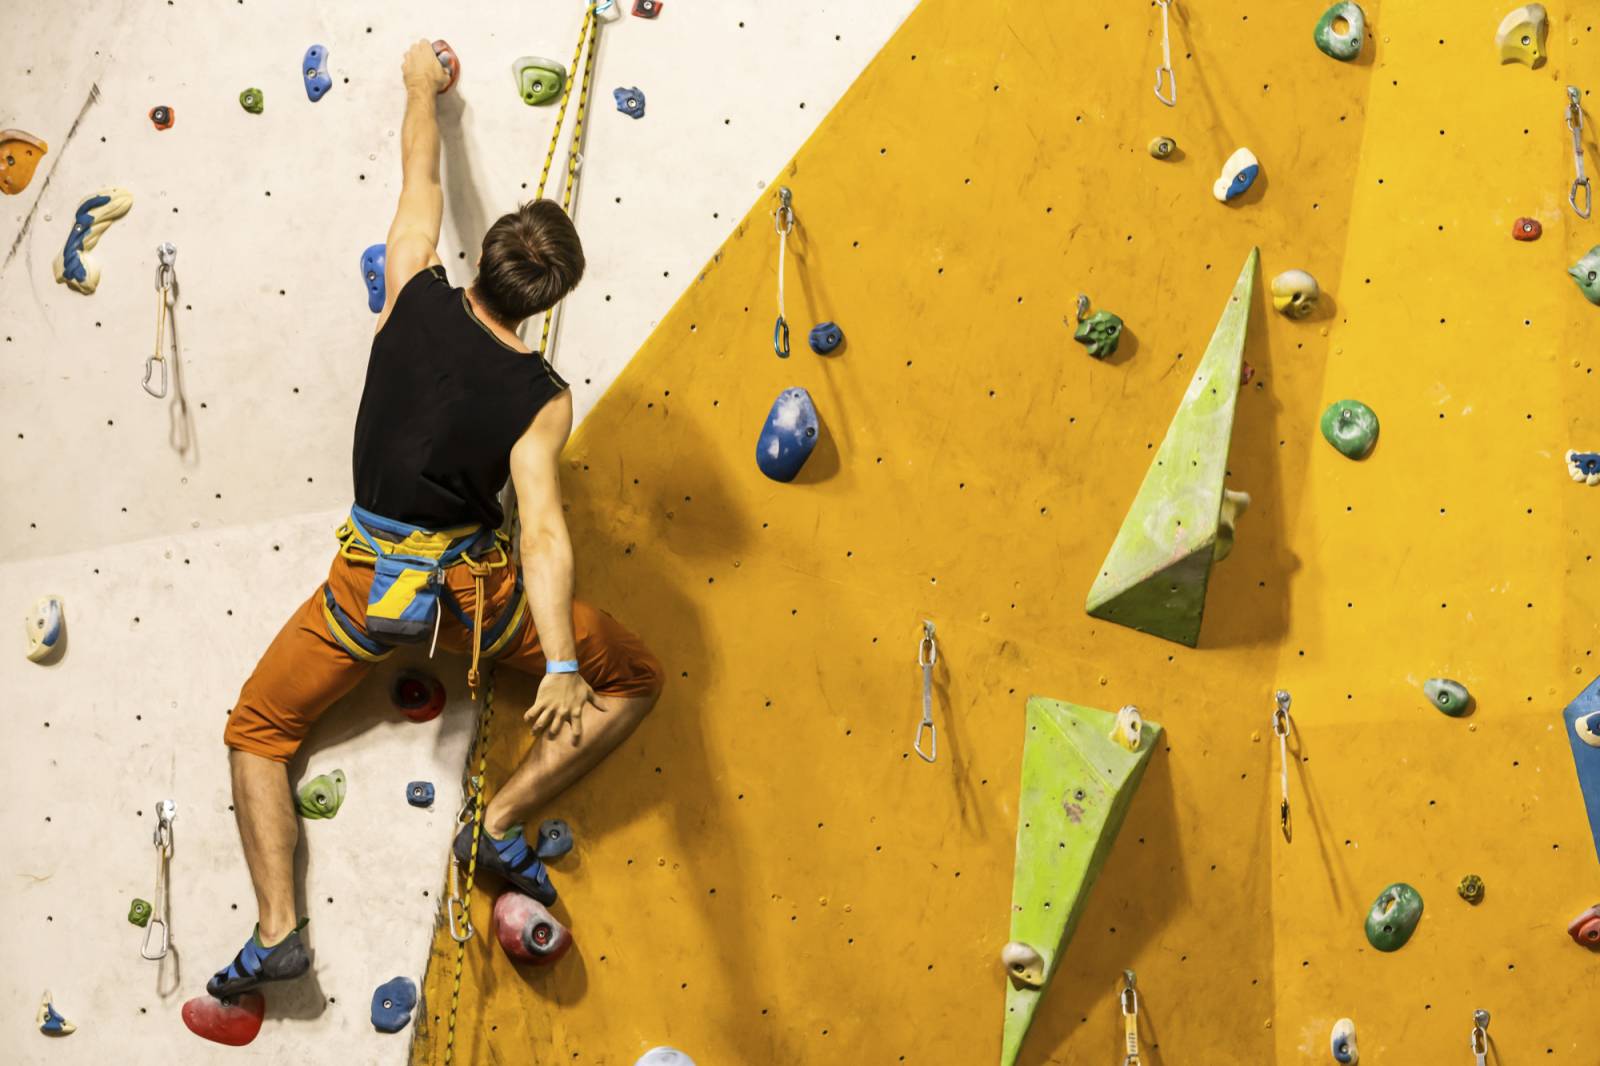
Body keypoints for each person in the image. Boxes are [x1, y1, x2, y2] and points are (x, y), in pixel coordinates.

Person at [205, 40, 665, 999]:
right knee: (637, 680)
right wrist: (565, 666)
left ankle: (279, 930)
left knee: (258, 729)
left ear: (483, 253)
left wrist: (422, 85)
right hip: (471, 603)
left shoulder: (410, 289)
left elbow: (417, 173)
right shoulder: (542, 395)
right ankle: (498, 823)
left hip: (364, 591)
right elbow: (540, 531)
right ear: (551, 302)